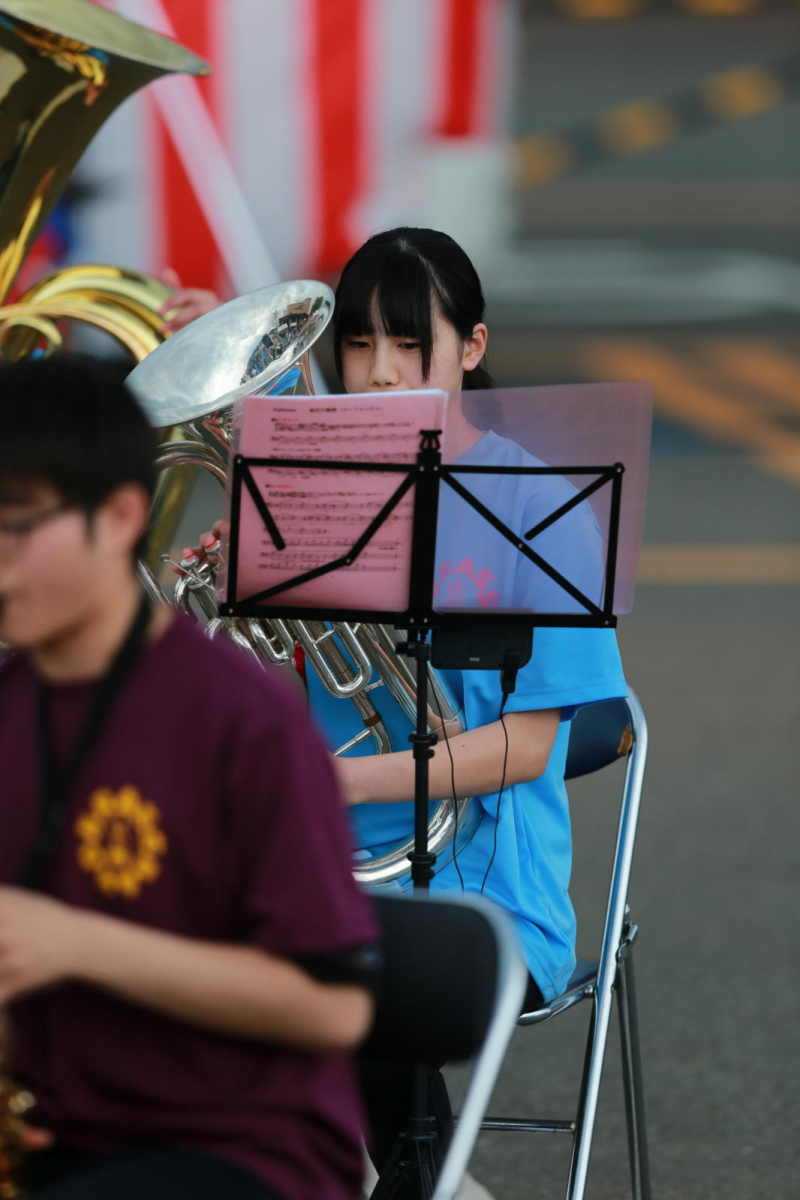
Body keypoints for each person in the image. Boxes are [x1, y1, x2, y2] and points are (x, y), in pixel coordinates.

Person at [171, 226, 627, 1186]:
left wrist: (324, 786)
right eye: (361, 345)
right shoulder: (305, 500)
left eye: (410, 346)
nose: (379, 374)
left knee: (340, 978)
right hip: (324, 868)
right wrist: (225, 603)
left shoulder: (536, 505)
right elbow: (254, 710)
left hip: (484, 893)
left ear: (471, 347)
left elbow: (528, 748)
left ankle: (414, 1176)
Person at [0, 356, 380, 1200]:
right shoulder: (12, 701)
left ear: (122, 516)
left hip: (241, 1154)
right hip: (63, 1132)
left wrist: (76, 945)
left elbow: (334, 1006)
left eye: (17, 527)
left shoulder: (246, 722)